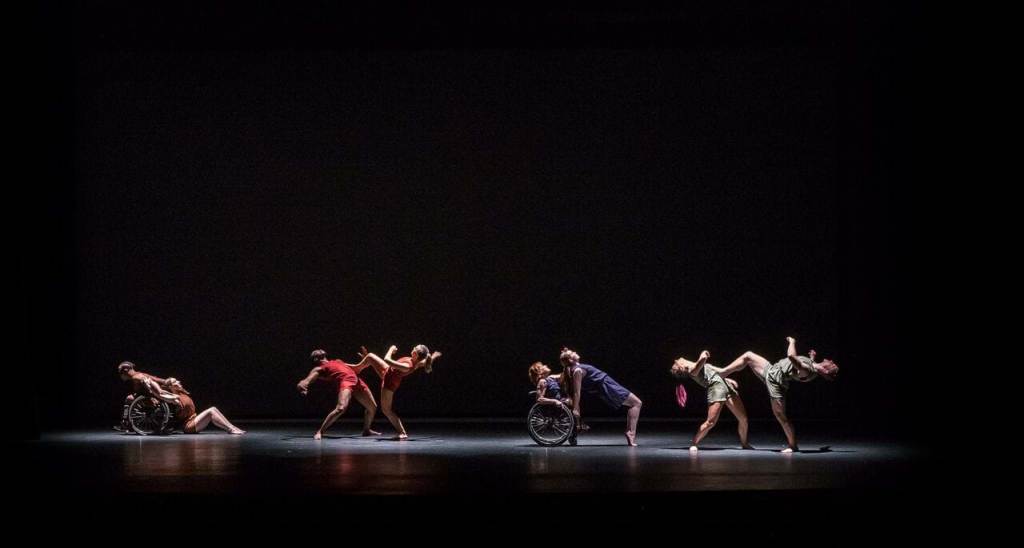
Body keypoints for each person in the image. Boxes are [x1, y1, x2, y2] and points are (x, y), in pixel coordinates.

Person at [716, 337, 839, 452]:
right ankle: (723, 372)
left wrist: (792, 342)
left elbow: (791, 356)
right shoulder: (813, 366)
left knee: (781, 417)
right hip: (772, 370)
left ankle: (793, 445)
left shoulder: (808, 370)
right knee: (748, 355)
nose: (832, 361)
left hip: (776, 383)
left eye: (832, 365)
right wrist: (812, 357)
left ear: (826, 370)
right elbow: (811, 365)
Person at [670, 350, 750, 451]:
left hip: (726, 387)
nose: (679, 359)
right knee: (711, 422)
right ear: (681, 366)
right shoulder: (692, 371)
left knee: (743, 419)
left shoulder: (702, 366)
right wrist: (704, 353)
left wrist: (727, 380)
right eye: (678, 362)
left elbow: (718, 373)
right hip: (716, 389)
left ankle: (744, 443)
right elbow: (703, 358)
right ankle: (694, 443)